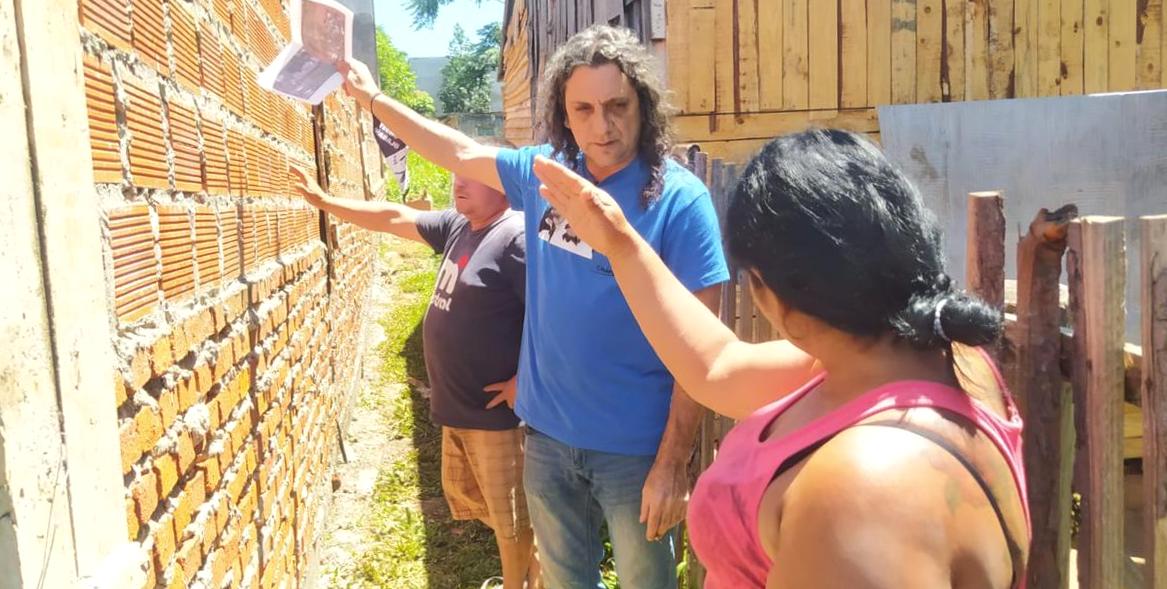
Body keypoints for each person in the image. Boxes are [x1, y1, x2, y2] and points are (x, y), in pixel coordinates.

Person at [531, 129, 1031, 588]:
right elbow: (717, 368)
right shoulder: (927, 356)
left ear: (770, 295)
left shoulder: (860, 495)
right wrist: (619, 244)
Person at [334, 24, 729, 588]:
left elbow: (703, 351)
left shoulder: (679, 201)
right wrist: (373, 99)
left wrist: (672, 462)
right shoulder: (547, 176)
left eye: (618, 106)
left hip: (635, 451)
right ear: (564, 115)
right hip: (546, 440)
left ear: (642, 105)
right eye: (584, 109)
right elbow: (461, 150)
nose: (603, 125)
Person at [289, 165, 539, 589]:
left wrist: (525, 381)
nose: (458, 183)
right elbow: (392, 217)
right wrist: (325, 202)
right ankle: (535, 576)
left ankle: (521, 583)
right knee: (491, 511)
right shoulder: (462, 226)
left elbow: (550, 316)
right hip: (460, 408)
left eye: (472, 176)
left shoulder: (513, 238)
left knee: (513, 522)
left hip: (497, 416)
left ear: (504, 186)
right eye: (458, 174)